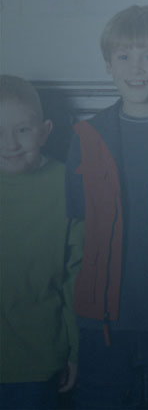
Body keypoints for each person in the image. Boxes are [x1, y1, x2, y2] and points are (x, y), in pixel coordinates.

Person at [65, 5, 148, 409]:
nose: (135, 67)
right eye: (123, 56)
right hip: (103, 326)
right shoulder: (87, 136)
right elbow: (75, 235)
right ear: (108, 64)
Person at [0, 75, 81, 409]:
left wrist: (75, 351)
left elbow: (77, 276)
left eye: (23, 130)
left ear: (45, 131)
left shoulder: (66, 185)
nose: (10, 144)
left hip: (37, 358)